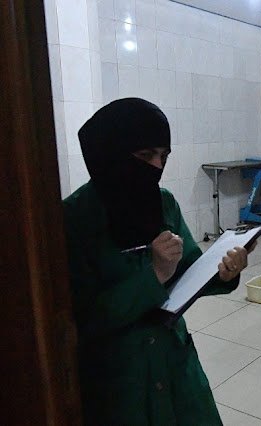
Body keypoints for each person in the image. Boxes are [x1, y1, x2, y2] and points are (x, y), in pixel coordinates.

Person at [63, 97, 251, 425]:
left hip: (175, 364)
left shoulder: (163, 203)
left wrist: (223, 272)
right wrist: (154, 274)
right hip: (121, 382)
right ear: (111, 152)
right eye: (145, 155)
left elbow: (190, 269)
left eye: (163, 156)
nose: (156, 166)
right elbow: (83, 319)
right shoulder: (74, 219)